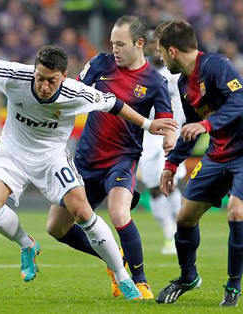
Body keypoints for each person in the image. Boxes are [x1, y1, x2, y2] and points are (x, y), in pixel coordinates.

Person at [0, 45, 178, 300]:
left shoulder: (78, 92)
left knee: (83, 212)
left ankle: (122, 276)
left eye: (52, 80)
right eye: (40, 78)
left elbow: (115, 104)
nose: (44, 86)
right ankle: (27, 245)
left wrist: (148, 124)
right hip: (12, 153)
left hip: (52, 158)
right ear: (34, 72)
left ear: (64, 76)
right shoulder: (15, 75)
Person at [45, 16, 177, 299]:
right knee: (56, 228)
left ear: (139, 44)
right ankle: (114, 257)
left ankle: (140, 282)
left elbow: (165, 119)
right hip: (86, 160)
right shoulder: (100, 64)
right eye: (112, 43)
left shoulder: (154, 81)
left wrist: (169, 137)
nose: (114, 49)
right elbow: (74, 91)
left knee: (119, 214)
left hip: (122, 159)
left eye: (121, 44)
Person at [153, 21, 243, 307]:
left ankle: (233, 287)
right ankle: (187, 277)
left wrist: (208, 124)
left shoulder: (216, 65)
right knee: (184, 218)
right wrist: (171, 164)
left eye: (160, 52)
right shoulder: (184, 84)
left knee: (236, 212)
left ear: (172, 50)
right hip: (218, 154)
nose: (160, 58)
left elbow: (242, 98)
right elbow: (192, 127)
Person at [140, 30, 187, 255]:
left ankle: (180, 233)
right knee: (154, 188)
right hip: (148, 136)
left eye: (157, 43)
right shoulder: (144, 73)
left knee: (172, 183)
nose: (154, 47)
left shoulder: (178, 72)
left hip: (174, 134)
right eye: (151, 44)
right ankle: (169, 234)